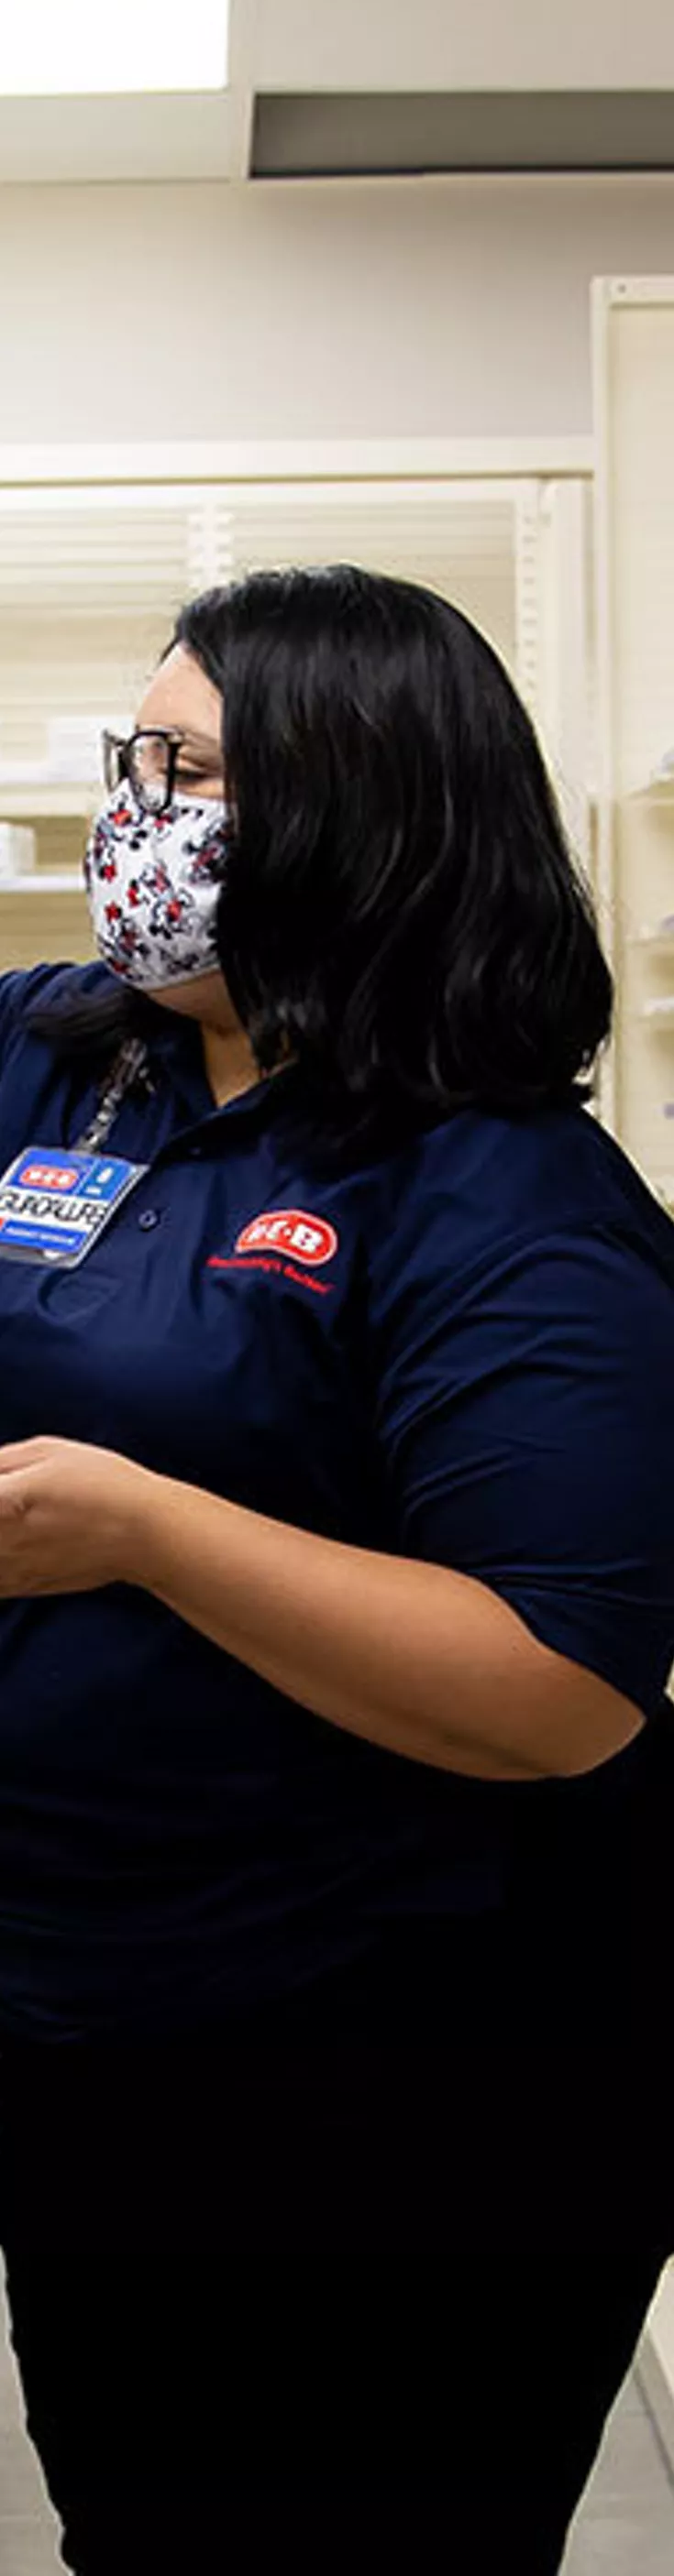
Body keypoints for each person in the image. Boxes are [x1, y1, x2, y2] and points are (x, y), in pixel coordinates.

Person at [0, 563, 671, 2576]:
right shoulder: (74, 1058)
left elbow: (558, 1681)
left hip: (403, 2061)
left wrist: (140, 1526)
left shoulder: (503, 1190)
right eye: (137, 757)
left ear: (347, 814)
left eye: (182, 769)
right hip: (95, 2002)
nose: (135, 810)